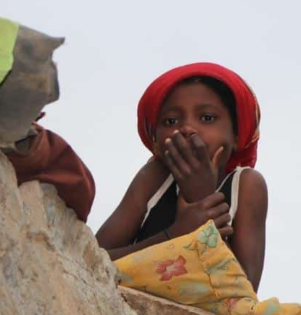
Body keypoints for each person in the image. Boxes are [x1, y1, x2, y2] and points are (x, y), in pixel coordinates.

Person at [95, 62, 268, 294]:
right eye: (171, 121)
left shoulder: (246, 185)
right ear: (156, 141)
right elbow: (91, 258)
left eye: (206, 118)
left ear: (236, 135)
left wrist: (202, 197)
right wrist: (175, 235)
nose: (186, 128)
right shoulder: (154, 177)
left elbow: (243, 291)